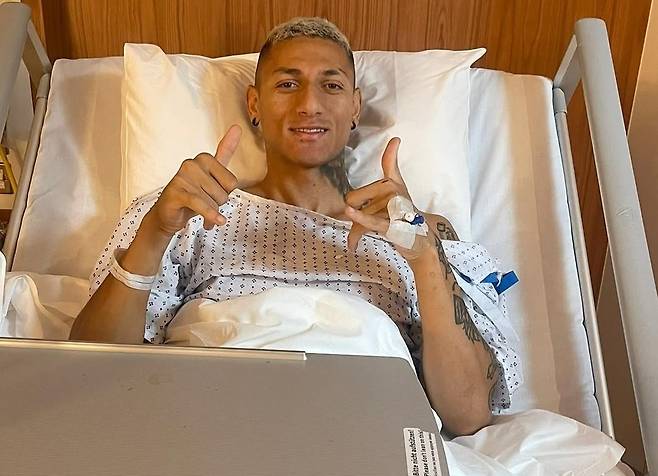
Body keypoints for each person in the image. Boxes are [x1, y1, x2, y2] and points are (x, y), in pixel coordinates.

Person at [70, 17, 520, 436]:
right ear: (254, 104)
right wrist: (154, 233)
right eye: (288, 84)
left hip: (363, 432)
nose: (309, 105)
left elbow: (467, 415)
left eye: (331, 85)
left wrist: (423, 258)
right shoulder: (184, 212)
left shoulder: (419, 232)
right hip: (210, 424)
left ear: (355, 107)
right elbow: (95, 375)